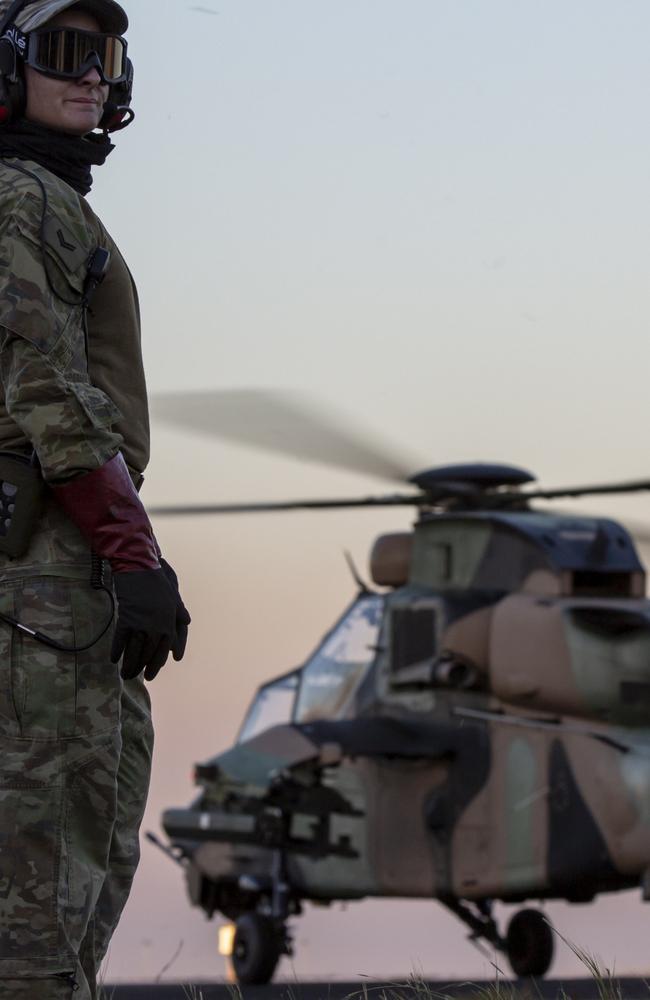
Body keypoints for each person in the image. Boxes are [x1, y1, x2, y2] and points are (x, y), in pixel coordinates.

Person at [0, 2, 191, 997]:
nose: (93, 75)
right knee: (36, 897)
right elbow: (45, 387)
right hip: (40, 584)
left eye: (106, 55)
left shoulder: (56, 200)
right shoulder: (20, 197)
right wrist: (132, 550)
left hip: (71, 580)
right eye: (65, 53)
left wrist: (121, 558)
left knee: (87, 862)